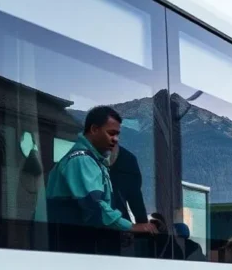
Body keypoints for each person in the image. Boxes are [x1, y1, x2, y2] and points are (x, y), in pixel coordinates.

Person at [45, 106, 157, 254]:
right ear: (94, 129)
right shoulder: (82, 160)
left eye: (117, 135)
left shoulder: (94, 161)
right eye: (111, 133)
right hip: (70, 246)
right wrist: (132, 227)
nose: (115, 140)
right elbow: (95, 206)